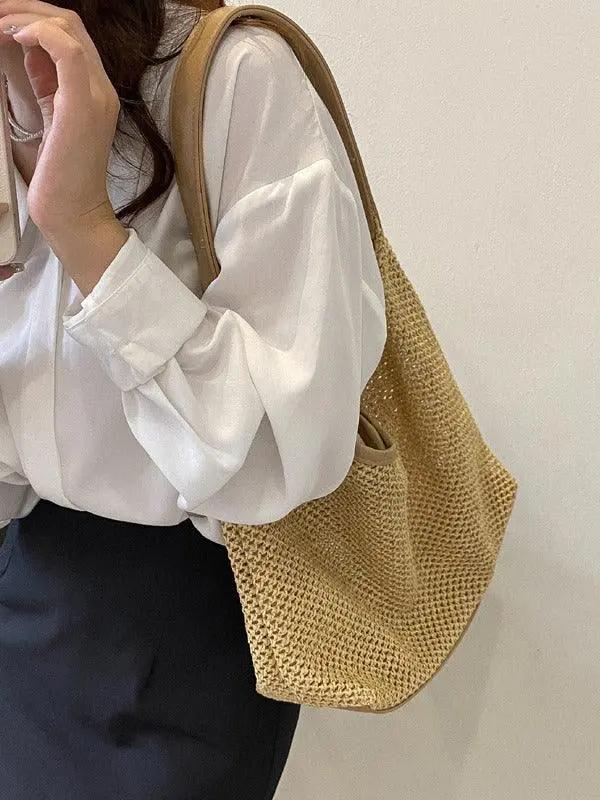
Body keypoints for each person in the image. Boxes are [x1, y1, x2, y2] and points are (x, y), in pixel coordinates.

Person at [0, 0, 387, 797]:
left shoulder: (235, 76)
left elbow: (280, 451)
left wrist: (82, 227)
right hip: (25, 589)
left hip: (185, 630)